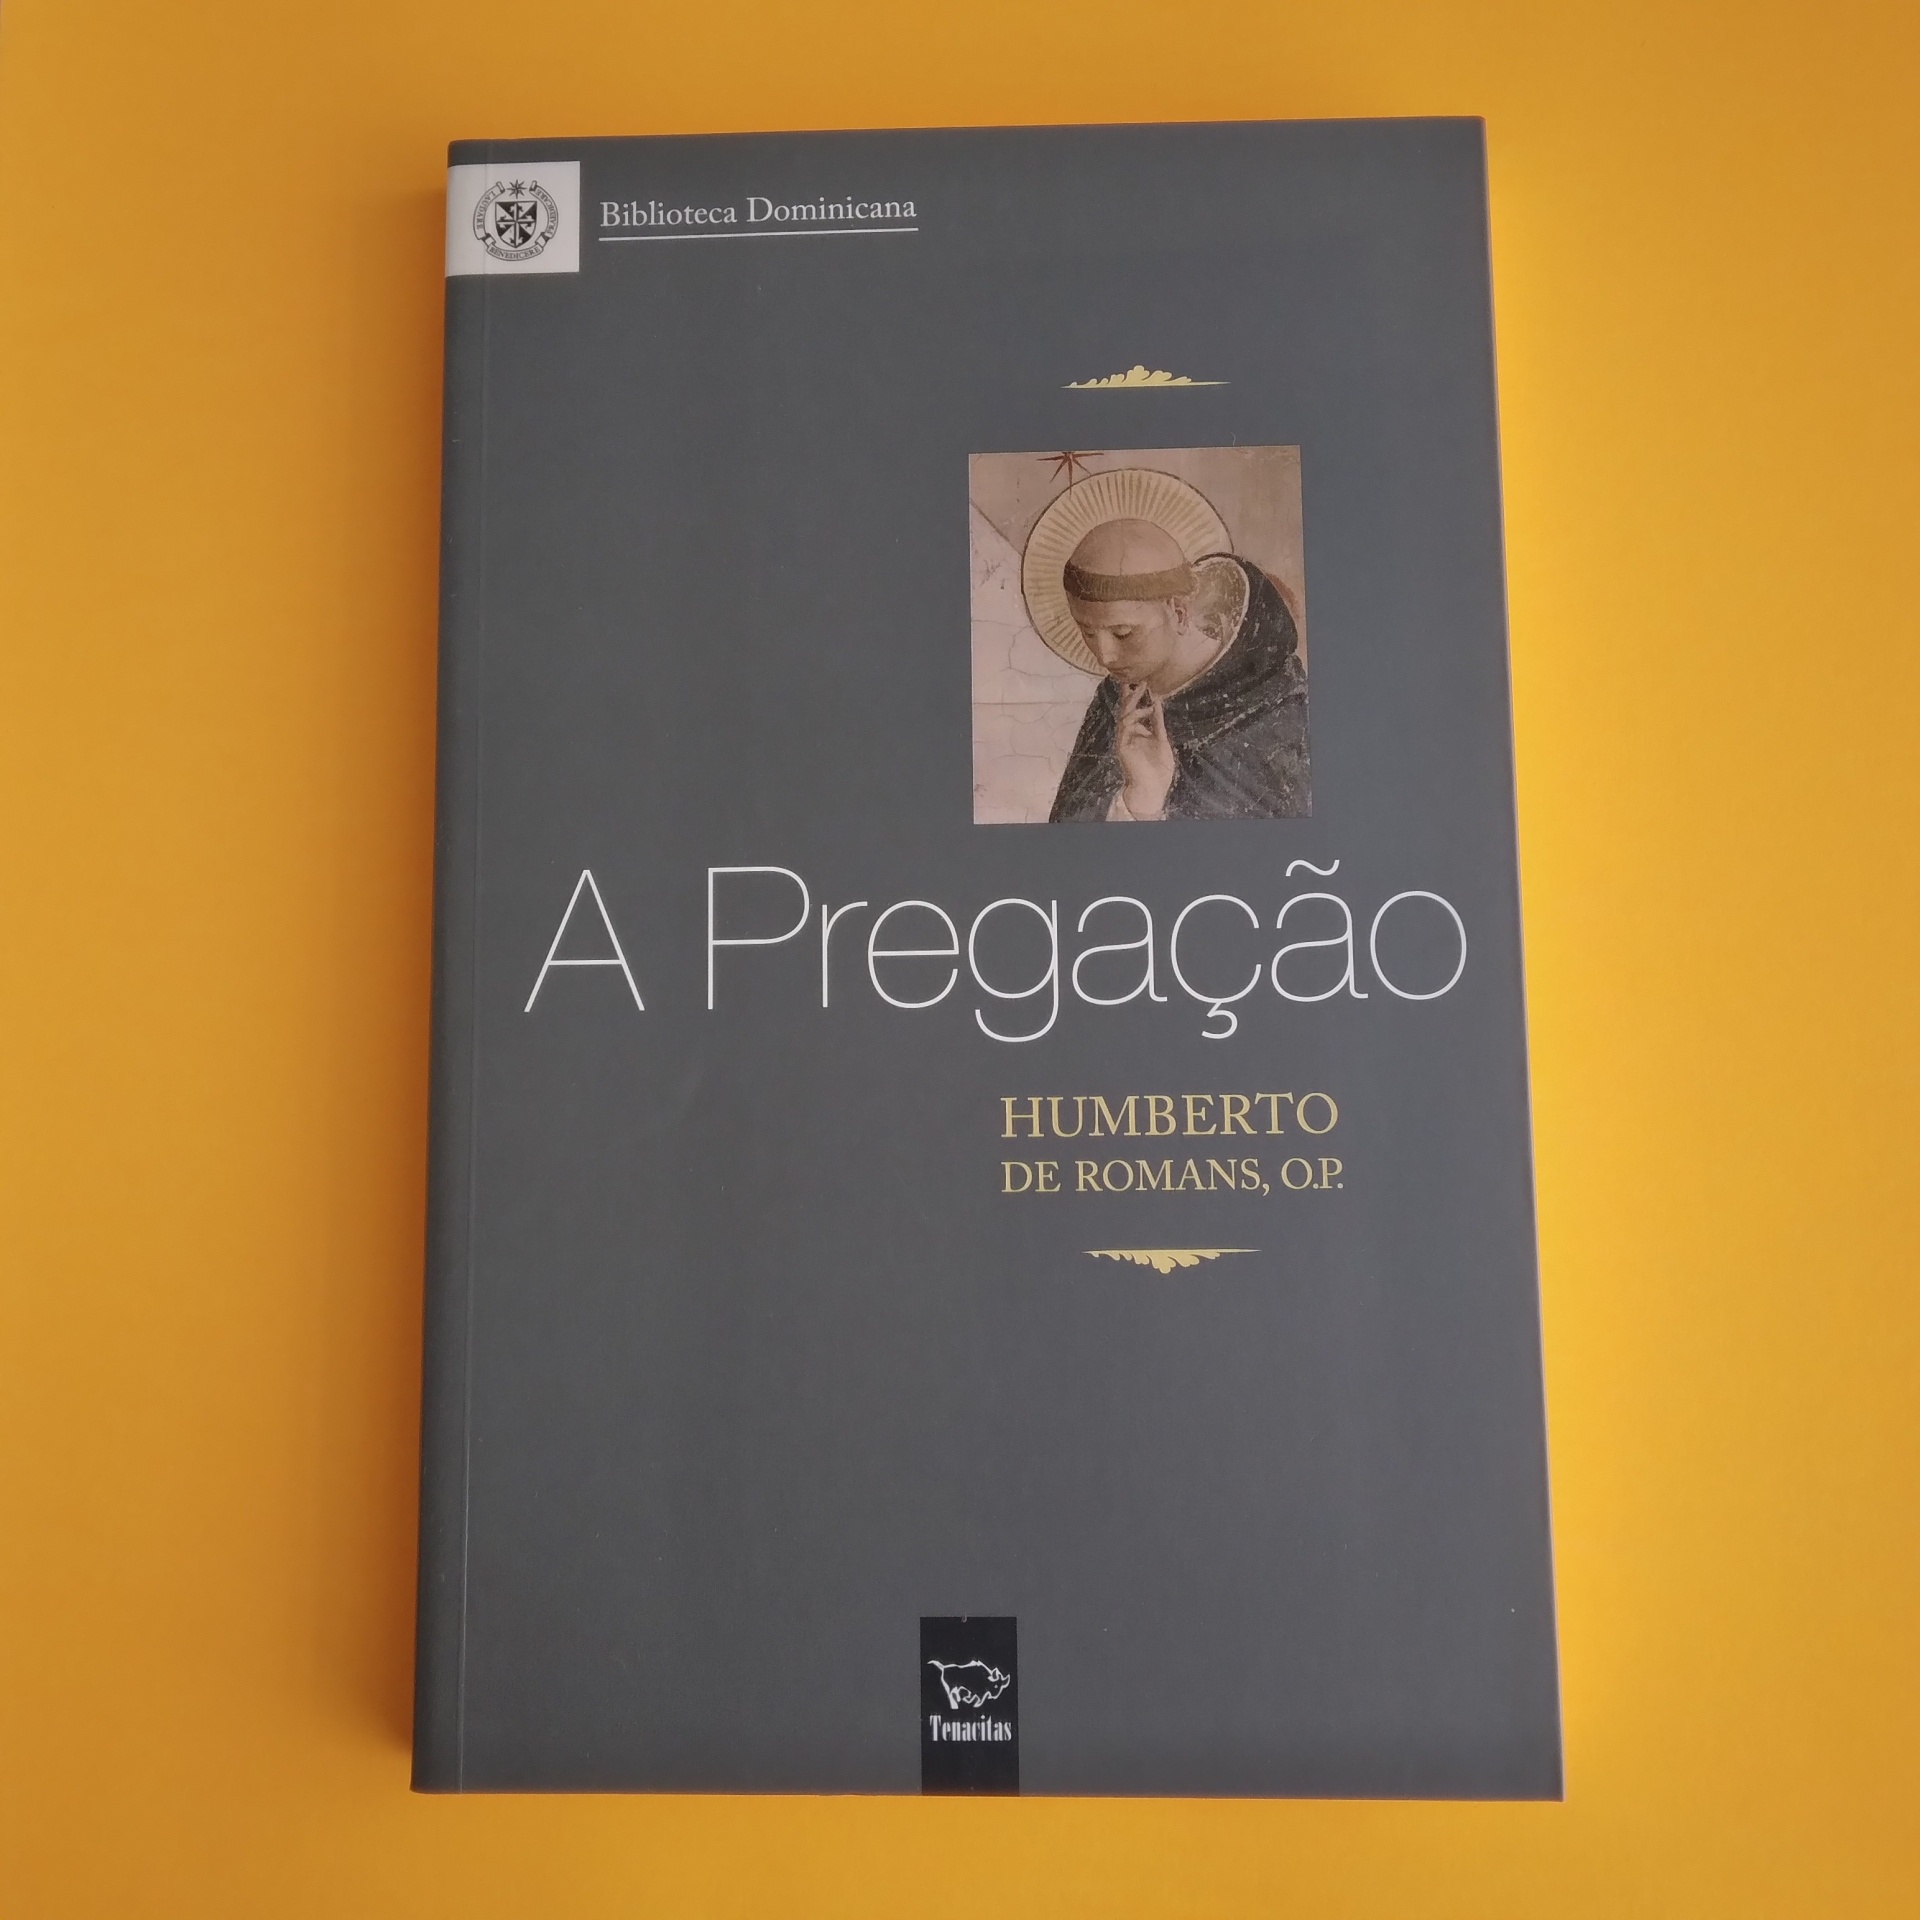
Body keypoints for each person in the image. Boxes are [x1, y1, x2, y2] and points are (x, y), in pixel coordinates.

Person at [1047, 517, 1310, 822]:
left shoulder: (1276, 704)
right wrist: (1137, 802)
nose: (1105, 656)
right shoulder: (1114, 698)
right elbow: (1068, 834)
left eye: (1122, 633)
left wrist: (1150, 805)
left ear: (1179, 613)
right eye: (1088, 632)